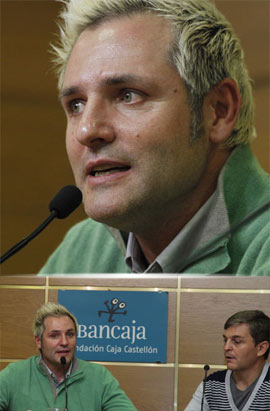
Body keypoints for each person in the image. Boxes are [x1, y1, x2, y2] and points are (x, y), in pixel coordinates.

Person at [39, 0, 269, 276]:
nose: (87, 131)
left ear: (218, 111)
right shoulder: (84, 249)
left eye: (128, 96)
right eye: (76, 105)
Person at [0, 302, 137, 411]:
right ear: (39, 341)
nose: (64, 342)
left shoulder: (99, 376)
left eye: (70, 334)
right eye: (54, 335)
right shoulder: (14, 374)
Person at [185, 310, 270, 410]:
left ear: (261, 348)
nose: (226, 347)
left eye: (237, 341)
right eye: (225, 340)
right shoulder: (212, 384)